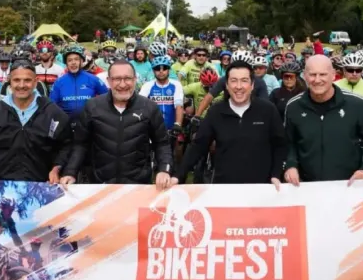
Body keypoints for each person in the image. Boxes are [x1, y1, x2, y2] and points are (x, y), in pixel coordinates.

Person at [60, 60, 173, 188]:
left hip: (138, 185)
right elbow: (80, 144)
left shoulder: (149, 107)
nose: (123, 84)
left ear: (135, 79)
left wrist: (164, 169)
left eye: (127, 78)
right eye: (117, 79)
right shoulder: (92, 107)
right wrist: (70, 172)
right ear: (108, 81)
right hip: (100, 184)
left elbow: (162, 143)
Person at [173, 60, 287, 186]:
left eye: (244, 80)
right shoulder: (216, 111)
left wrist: (276, 174)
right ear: (226, 85)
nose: (239, 86)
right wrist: (178, 176)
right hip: (225, 188)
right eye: (233, 81)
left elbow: (280, 144)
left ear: (252, 85)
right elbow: (198, 145)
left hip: (262, 187)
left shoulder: (268, 110)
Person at [283, 55, 363, 185]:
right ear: (304, 76)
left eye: (323, 74)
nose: (317, 80)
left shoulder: (356, 104)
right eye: (312, 75)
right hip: (306, 187)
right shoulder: (293, 106)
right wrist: (291, 165)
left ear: (333, 75)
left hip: (349, 186)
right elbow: (289, 143)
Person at [49, 44, 109, 119]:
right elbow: (51, 106)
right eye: (70, 60)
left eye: (76, 59)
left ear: (82, 61)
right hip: (66, 125)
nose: (73, 62)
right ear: (66, 63)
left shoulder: (93, 79)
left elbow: (108, 99)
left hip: (89, 124)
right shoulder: (59, 82)